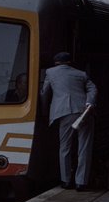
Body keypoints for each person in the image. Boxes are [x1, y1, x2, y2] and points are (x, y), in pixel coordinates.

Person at [41, 52, 98, 191]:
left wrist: (45, 113)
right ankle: (81, 183)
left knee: (65, 147)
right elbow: (93, 89)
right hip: (84, 111)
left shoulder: (50, 72)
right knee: (84, 147)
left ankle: (66, 181)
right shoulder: (81, 74)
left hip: (64, 111)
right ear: (69, 63)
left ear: (56, 63)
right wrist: (89, 103)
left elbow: (45, 94)